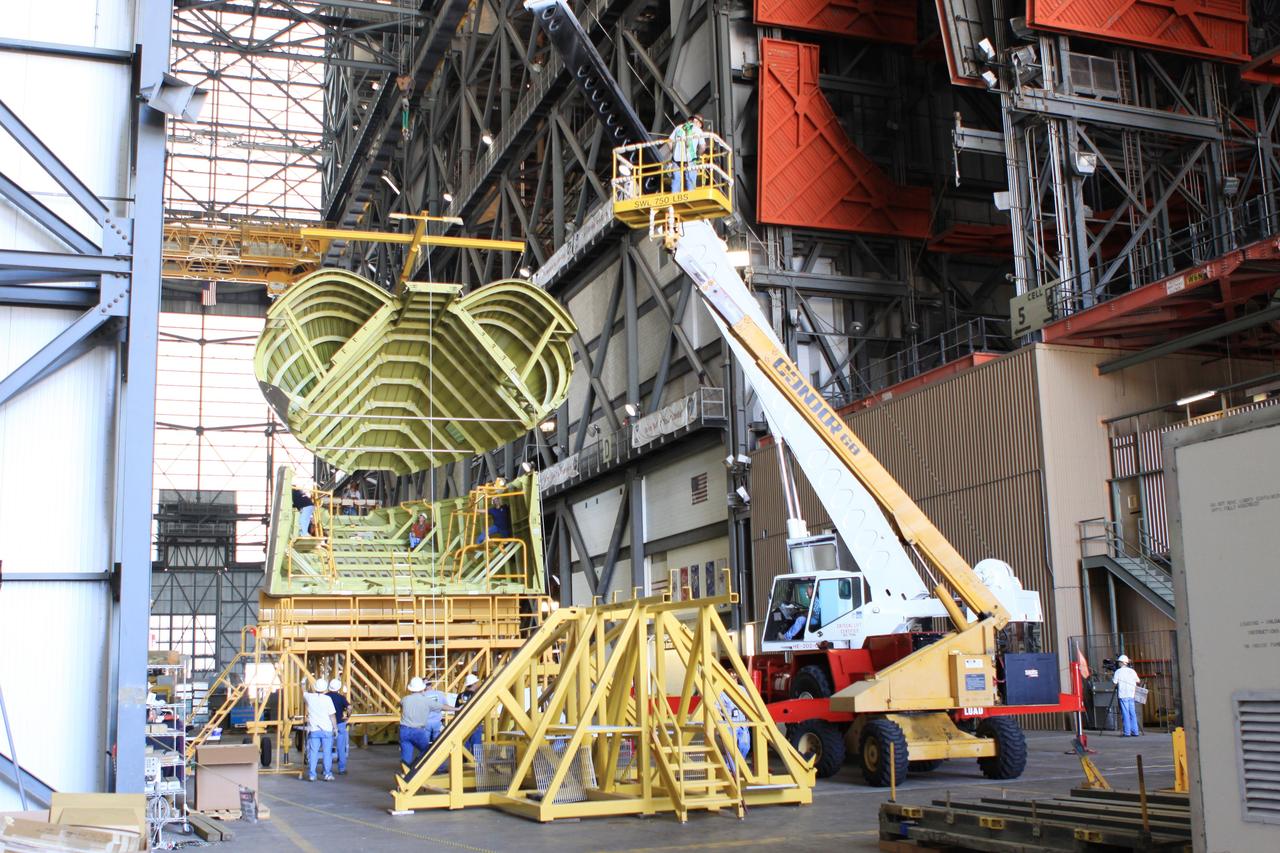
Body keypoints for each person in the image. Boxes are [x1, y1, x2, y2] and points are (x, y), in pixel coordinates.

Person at [399, 676, 454, 767]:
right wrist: (457, 708)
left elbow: (401, 705)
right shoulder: (426, 700)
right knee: (428, 752)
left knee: (406, 756)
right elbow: (443, 706)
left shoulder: (405, 699)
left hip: (404, 730)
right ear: (422, 688)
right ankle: (418, 765)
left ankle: (405, 774)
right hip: (417, 731)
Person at [303, 677, 337, 781]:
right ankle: (327, 774)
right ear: (325, 688)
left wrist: (303, 682)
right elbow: (332, 716)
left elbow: (303, 691)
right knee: (327, 753)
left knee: (313, 753)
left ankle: (312, 775)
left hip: (314, 730)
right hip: (326, 730)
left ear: (315, 687)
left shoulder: (310, 697)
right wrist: (335, 728)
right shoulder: (328, 699)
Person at [718, 671, 751, 774]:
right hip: (729, 724)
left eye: (735, 678)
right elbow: (717, 708)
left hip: (742, 723)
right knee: (731, 748)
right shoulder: (721, 692)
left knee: (745, 745)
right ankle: (732, 770)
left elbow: (749, 705)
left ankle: (737, 765)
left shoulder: (742, 690)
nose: (734, 680)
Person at [668, 114, 705, 193]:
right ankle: (691, 198)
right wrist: (698, 155)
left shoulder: (678, 128)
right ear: (699, 123)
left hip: (676, 160)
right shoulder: (698, 130)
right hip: (690, 160)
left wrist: (673, 152)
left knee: (676, 181)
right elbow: (703, 146)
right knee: (691, 181)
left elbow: (669, 142)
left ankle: (674, 200)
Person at [1112, 654, 1141, 737]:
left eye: (1119, 662)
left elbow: (1114, 682)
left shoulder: (1118, 672)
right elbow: (1138, 681)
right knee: (1132, 713)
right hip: (1131, 695)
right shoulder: (1132, 671)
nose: (1119, 664)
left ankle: (1127, 732)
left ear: (1122, 663)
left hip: (1123, 695)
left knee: (1125, 713)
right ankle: (1135, 732)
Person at [455, 674, 483, 761]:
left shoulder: (460, 696)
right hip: (475, 722)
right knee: (476, 744)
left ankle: (464, 763)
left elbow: (457, 710)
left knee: (464, 744)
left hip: (463, 723)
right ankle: (478, 764)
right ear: (474, 684)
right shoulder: (477, 695)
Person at [326, 679, 351, 775]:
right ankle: (342, 769)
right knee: (341, 747)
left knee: (328, 747)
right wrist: (348, 716)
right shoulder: (341, 698)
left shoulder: (325, 697)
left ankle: (327, 769)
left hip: (328, 724)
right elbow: (349, 708)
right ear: (338, 688)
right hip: (340, 724)